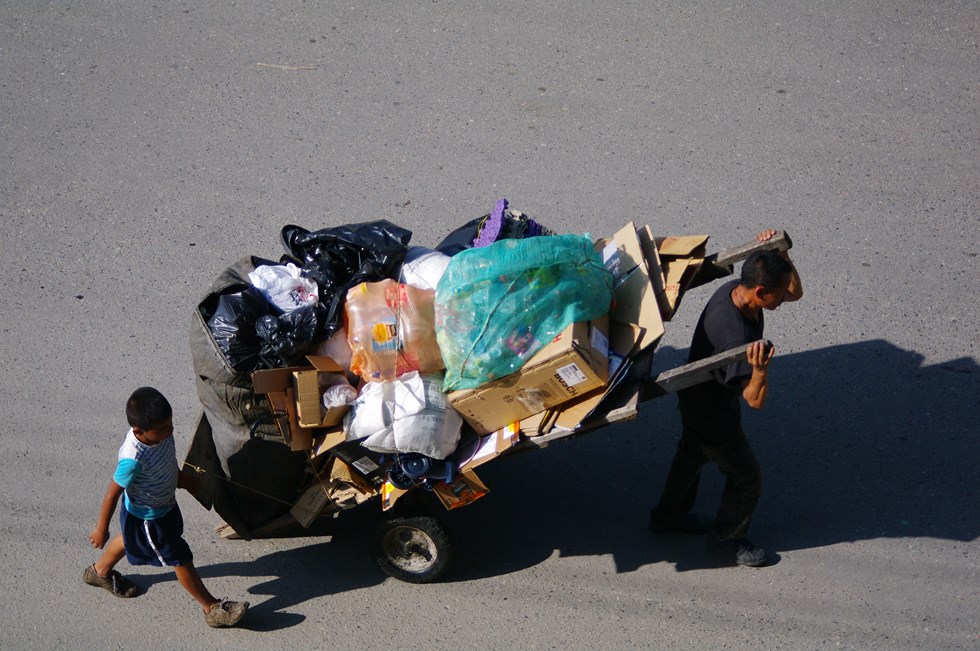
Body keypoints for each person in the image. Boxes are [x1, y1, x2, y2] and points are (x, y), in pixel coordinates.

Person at [649, 230, 803, 567]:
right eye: (776, 296)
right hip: (713, 412)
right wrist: (760, 370)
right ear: (760, 291)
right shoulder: (736, 336)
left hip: (696, 395)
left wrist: (781, 255)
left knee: (691, 454)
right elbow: (755, 400)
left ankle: (667, 516)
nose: (782, 301)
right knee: (746, 477)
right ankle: (726, 540)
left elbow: (795, 292)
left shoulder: (737, 292)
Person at [85, 387, 249, 627]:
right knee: (179, 558)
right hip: (148, 516)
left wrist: (181, 480)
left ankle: (99, 572)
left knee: (132, 538)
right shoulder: (133, 459)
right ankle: (211, 608)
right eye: (162, 429)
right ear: (138, 431)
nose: (169, 431)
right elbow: (113, 493)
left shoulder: (160, 435)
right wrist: (101, 528)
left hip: (164, 505)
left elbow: (167, 460)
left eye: (170, 424)